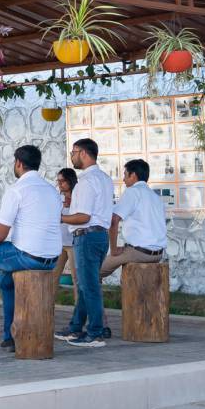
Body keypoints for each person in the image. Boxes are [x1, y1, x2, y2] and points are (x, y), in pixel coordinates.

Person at [0, 145, 62, 353]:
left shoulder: (17, 190)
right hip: (53, 258)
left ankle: (10, 336)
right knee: (5, 278)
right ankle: (9, 336)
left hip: (26, 257)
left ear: (18, 163)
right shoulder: (52, 191)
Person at [56, 138, 114, 347]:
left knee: (89, 286)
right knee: (84, 285)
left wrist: (59, 217)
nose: (71, 156)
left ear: (83, 153)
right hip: (100, 236)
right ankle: (75, 327)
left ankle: (96, 332)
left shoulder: (87, 181)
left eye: (73, 152)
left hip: (86, 236)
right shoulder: (105, 178)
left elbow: (83, 216)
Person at [103, 159, 167, 275]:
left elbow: (113, 221)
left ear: (133, 175)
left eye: (125, 175)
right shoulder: (155, 197)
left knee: (94, 271)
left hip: (139, 253)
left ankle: (91, 292)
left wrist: (113, 249)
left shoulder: (132, 192)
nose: (123, 179)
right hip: (157, 254)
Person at [53, 168, 79, 291]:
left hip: (74, 242)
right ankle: (48, 308)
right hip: (59, 243)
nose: (59, 184)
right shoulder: (57, 197)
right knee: (52, 277)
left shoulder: (80, 196)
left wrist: (72, 203)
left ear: (70, 180)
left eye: (62, 181)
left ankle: (79, 309)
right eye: (58, 181)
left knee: (76, 279)